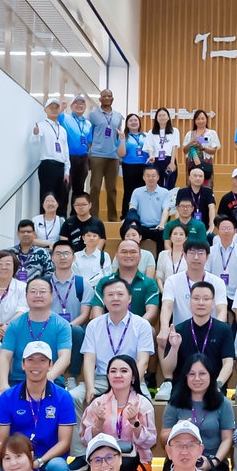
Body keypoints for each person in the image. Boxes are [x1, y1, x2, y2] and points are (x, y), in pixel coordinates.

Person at [0, 341, 77, 471]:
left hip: (49, 458)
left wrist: (40, 461)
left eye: (42, 360)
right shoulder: (8, 397)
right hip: (16, 456)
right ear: (22, 364)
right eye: (30, 360)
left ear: (50, 365)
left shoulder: (63, 397)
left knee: (59, 468)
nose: (36, 365)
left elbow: (64, 443)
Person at [80, 355, 159, 471]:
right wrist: (98, 423)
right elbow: (85, 440)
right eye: (113, 371)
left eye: (124, 371)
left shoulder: (143, 404)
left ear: (133, 377)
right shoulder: (98, 404)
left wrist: (135, 423)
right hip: (103, 463)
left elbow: (150, 442)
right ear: (108, 376)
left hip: (134, 462)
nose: (117, 375)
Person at [162, 358, 236, 471]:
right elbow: (163, 439)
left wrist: (213, 462)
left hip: (213, 461)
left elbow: (227, 439)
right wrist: (176, 430)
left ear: (211, 375)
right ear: (185, 377)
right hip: (180, 459)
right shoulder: (175, 402)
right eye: (192, 374)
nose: (197, 378)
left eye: (202, 373)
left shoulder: (223, 403)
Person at [0, 277, 73, 389]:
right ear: (26, 296)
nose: (38, 295)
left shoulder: (62, 325)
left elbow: (65, 357)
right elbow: (4, 356)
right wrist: (3, 384)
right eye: (33, 292)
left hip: (51, 379)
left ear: (52, 296)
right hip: (20, 379)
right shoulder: (15, 325)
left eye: (42, 292)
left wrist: (46, 378)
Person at [91, 237, 162, 333]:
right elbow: (97, 310)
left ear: (140, 256)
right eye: (124, 252)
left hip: (137, 330)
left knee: (151, 330)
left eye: (133, 252)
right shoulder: (104, 282)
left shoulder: (149, 283)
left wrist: (132, 327)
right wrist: (107, 327)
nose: (128, 255)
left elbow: (152, 311)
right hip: (109, 330)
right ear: (116, 256)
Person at [159, 239, 228, 329]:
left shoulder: (218, 282)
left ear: (207, 257)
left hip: (210, 333)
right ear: (184, 255)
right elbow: (167, 306)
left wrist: (218, 330)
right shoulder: (172, 281)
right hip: (181, 334)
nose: (196, 257)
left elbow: (222, 310)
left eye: (200, 253)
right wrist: (164, 328)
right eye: (191, 253)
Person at [84, 89, 122, 221]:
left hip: (113, 156)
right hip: (97, 155)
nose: (106, 98)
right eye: (103, 96)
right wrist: (89, 153)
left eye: (109, 96)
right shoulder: (93, 115)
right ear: (100, 99)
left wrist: (119, 155)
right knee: (95, 187)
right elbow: (89, 134)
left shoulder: (118, 116)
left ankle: (112, 218)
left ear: (112, 99)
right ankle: (93, 217)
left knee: (112, 189)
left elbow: (119, 136)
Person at [32, 98, 71, 211]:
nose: (54, 110)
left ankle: (60, 224)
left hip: (61, 167)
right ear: (45, 109)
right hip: (47, 165)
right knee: (47, 197)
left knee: (61, 199)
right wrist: (35, 134)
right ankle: (44, 224)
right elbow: (34, 142)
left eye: (56, 107)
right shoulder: (41, 126)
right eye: (51, 107)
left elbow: (66, 151)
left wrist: (67, 171)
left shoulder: (62, 130)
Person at [119, 114, 154, 219]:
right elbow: (121, 154)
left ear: (139, 123)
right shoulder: (124, 136)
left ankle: (143, 215)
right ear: (127, 124)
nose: (133, 122)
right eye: (131, 120)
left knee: (145, 191)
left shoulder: (146, 136)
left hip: (145, 167)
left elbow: (151, 150)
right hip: (129, 167)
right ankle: (126, 215)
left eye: (136, 120)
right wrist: (121, 140)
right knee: (129, 191)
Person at [180, 109, 221, 183]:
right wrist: (191, 142)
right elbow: (184, 150)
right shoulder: (189, 134)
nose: (200, 121)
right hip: (192, 163)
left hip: (206, 162)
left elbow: (213, 151)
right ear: (195, 121)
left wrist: (202, 147)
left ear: (206, 120)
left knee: (206, 185)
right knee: (192, 185)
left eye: (203, 118)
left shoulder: (211, 133)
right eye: (198, 119)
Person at [11, 220, 53, 284]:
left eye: (29, 232)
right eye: (22, 232)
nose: (25, 234)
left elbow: (49, 274)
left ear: (34, 234)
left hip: (36, 290)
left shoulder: (42, 253)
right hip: (14, 291)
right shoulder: (10, 253)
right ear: (18, 234)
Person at [150, 107, 181, 187]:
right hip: (156, 160)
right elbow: (149, 147)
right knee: (156, 186)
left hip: (169, 159)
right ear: (156, 118)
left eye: (164, 115)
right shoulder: (151, 132)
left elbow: (174, 147)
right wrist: (151, 156)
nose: (162, 117)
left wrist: (172, 162)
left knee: (170, 185)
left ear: (168, 117)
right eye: (159, 115)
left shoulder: (174, 131)